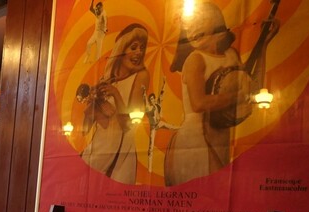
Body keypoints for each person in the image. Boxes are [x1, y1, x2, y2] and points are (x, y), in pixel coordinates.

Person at [164, 1, 278, 186]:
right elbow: (199, 103)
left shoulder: (231, 55)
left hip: (220, 140)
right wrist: (236, 97)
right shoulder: (195, 60)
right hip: (195, 141)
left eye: (198, 21)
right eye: (189, 25)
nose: (192, 29)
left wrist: (263, 46)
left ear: (215, 22)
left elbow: (251, 89)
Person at [79, 23, 150, 185]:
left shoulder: (141, 76)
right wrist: (93, 104)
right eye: (133, 47)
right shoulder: (105, 80)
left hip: (121, 158)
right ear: (121, 49)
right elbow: (84, 130)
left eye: (142, 47)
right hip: (97, 154)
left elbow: (129, 125)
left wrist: (116, 94)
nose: (139, 52)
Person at [143, 77, 179, 172]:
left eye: (153, 98)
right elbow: (145, 102)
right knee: (151, 147)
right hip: (153, 127)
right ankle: (150, 169)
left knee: (172, 126)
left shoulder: (157, 104)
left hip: (159, 123)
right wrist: (144, 93)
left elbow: (162, 94)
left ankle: (181, 128)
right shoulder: (149, 108)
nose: (152, 100)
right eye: (151, 99)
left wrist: (164, 84)